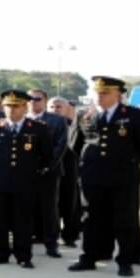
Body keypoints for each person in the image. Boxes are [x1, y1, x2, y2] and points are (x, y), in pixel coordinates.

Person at [68, 76, 140, 276]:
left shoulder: (134, 115)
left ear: (118, 94)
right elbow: (75, 144)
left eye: (105, 93)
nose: (99, 96)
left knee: (124, 219)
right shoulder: (84, 114)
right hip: (93, 177)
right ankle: (90, 257)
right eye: (97, 92)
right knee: (92, 218)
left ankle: (126, 260)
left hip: (123, 178)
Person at [0, 90, 51, 269]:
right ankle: (0, 253)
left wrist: (34, 173)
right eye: (7, 106)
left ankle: (23, 255)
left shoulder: (38, 128)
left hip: (25, 182)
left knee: (24, 220)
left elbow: (46, 155)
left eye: (16, 106)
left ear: (24, 107)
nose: (11, 110)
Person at [27, 89, 68, 258]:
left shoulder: (56, 120)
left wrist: (46, 166)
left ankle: (51, 244)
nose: (33, 102)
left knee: (49, 209)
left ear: (44, 101)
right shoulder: (21, 118)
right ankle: (25, 240)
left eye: (37, 99)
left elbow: (60, 146)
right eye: (29, 99)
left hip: (48, 172)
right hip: (24, 173)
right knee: (25, 208)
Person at [50, 96, 83, 247]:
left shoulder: (73, 125)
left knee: (70, 203)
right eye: (52, 107)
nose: (55, 110)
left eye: (59, 107)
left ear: (66, 108)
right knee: (51, 204)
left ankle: (70, 236)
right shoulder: (42, 125)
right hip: (51, 169)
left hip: (70, 169)